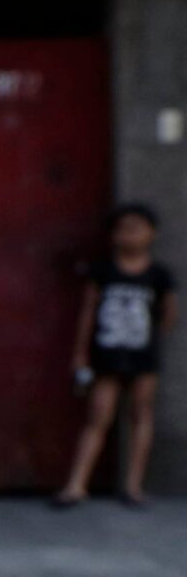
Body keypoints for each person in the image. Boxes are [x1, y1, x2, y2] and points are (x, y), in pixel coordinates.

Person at [54, 203, 178, 508]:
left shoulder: (159, 275)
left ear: (152, 233)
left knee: (141, 413)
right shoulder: (104, 270)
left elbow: (168, 315)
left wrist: (150, 339)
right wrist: (81, 354)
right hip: (107, 354)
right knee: (98, 415)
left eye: (137, 227)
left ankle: (134, 485)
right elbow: (88, 313)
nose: (130, 234)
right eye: (124, 228)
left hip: (142, 355)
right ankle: (76, 484)